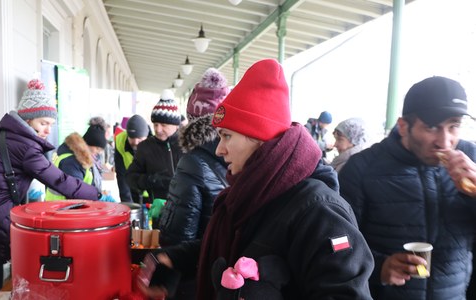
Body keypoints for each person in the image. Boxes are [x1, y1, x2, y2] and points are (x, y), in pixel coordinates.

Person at [139, 59, 374, 299]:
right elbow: (234, 243)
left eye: (227, 136)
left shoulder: (320, 210)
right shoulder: (249, 191)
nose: (219, 149)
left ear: (258, 137)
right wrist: (178, 257)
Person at [0, 79, 101, 300]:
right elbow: (58, 180)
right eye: (43, 123)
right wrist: (96, 195)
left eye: (51, 124)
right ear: (28, 119)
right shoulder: (26, 147)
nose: (47, 130)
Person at [338, 76, 476, 300]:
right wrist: (378, 268)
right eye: (431, 127)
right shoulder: (362, 169)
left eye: (454, 126)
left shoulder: (472, 159)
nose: (445, 141)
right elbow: (338, 242)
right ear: (403, 126)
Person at [159, 67, 230, 247]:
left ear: (192, 119)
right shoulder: (242, 152)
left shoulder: (192, 162)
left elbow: (176, 236)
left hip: (198, 265)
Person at [126, 90, 183, 206]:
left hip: (185, 210)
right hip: (157, 211)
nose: (158, 129)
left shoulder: (187, 145)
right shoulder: (145, 147)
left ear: (176, 126)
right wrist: (152, 180)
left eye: (163, 125)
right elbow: (130, 177)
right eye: (155, 124)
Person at [45, 123, 109, 201]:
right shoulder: (72, 161)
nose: (99, 152)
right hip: (62, 207)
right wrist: (98, 196)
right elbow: (74, 190)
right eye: (97, 148)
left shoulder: (84, 157)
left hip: (65, 205)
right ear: (88, 144)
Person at [115, 114, 151, 203]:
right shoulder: (120, 140)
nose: (135, 142)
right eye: (131, 138)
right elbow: (121, 175)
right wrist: (127, 202)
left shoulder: (155, 142)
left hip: (153, 193)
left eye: (139, 138)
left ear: (146, 136)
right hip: (132, 190)